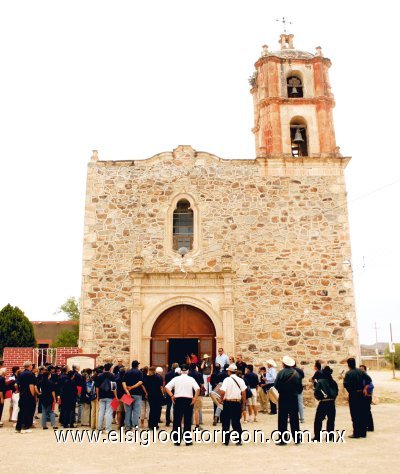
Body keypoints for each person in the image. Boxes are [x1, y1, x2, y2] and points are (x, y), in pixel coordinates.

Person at [165, 363, 200, 446]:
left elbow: (167, 387)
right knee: (187, 420)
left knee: (177, 420)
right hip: (188, 400)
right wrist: (194, 398)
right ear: (188, 371)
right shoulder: (191, 379)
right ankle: (187, 440)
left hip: (178, 399)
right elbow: (197, 389)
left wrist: (172, 396)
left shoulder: (176, 378)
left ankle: (177, 440)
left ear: (180, 371)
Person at [274, 356, 302, 445]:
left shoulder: (281, 373)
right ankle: (297, 439)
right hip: (293, 398)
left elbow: (276, 385)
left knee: (282, 419)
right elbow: (300, 388)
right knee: (294, 418)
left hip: (283, 398)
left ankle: (283, 439)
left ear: (283, 364)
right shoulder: (296, 373)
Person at [219, 363, 247, 446]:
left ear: (229, 371)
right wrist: (243, 404)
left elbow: (223, 391)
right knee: (236, 422)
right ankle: (238, 440)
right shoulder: (241, 380)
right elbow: (244, 393)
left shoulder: (226, 380)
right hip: (237, 403)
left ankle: (226, 441)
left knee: (225, 422)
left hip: (227, 402)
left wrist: (221, 399)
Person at [344, 358, 370, 438]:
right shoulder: (361, 371)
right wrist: (365, 388)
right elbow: (369, 379)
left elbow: (345, 385)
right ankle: (363, 433)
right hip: (361, 394)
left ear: (348, 365)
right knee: (362, 413)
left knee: (355, 414)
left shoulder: (348, 373)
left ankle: (356, 433)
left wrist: (350, 392)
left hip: (354, 395)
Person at [313, 366, 338, 441]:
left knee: (318, 420)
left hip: (323, 403)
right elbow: (336, 392)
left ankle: (317, 436)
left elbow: (316, 392)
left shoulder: (320, 381)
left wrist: (319, 398)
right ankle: (330, 436)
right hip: (331, 402)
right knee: (331, 420)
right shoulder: (333, 382)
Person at [15, 361, 36, 433]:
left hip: (22, 394)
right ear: (30, 366)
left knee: (21, 411)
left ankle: (18, 427)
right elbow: (31, 385)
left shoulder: (21, 374)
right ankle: (26, 426)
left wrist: (19, 391)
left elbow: (16, 384)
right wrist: (33, 395)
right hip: (28, 395)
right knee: (29, 410)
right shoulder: (30, 374)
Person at [96, 363, 117, 433]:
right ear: (110, 368)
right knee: (109, 413)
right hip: (110, 396)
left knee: (101, 412)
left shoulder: (100, 376)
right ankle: (108, 428)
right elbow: (114, 388)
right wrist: (116, 396)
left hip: (101, 396)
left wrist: (98, 396)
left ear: (104, 368)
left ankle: (99, 427)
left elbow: (97, 388)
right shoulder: (112, 376)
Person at [122, 360, 143, 430]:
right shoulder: (139, 372)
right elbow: (140, 382)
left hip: (128, 394)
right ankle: (135, 427)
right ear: (137, 365)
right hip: (137, 394)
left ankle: (128, 426)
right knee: (136, 411)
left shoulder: (127, 372)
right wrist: (132, 387)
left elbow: (123, 382)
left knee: (128, 411)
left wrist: (127, 390)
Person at [189, 363, 204, 429]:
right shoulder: (199, 374)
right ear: (195, 367)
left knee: (187, 410)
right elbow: (202, 385)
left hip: (189, 393)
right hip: (197, 393)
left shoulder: (188, 374)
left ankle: (188, 423)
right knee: (196, 410)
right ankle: (197, 425)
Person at [360, 364, 374, 432]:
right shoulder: (361, 377)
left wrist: (365, 389)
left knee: (367, 412)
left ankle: (370, 427)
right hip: (363, 397)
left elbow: (371, 386)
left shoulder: (367, 377)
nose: (361, 371)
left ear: (365, 370)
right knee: (364, 412)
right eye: (360, 369)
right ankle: (365, 426)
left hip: (367, 396)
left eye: (362, 369)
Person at [164, 362, 179, 427]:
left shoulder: (167, 374)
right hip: (176, 391)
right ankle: (175, 420)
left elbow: (166, 383)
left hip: (168, 391)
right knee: (176, 406)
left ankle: (167, 421)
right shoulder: (177, 375)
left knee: (168, 406)